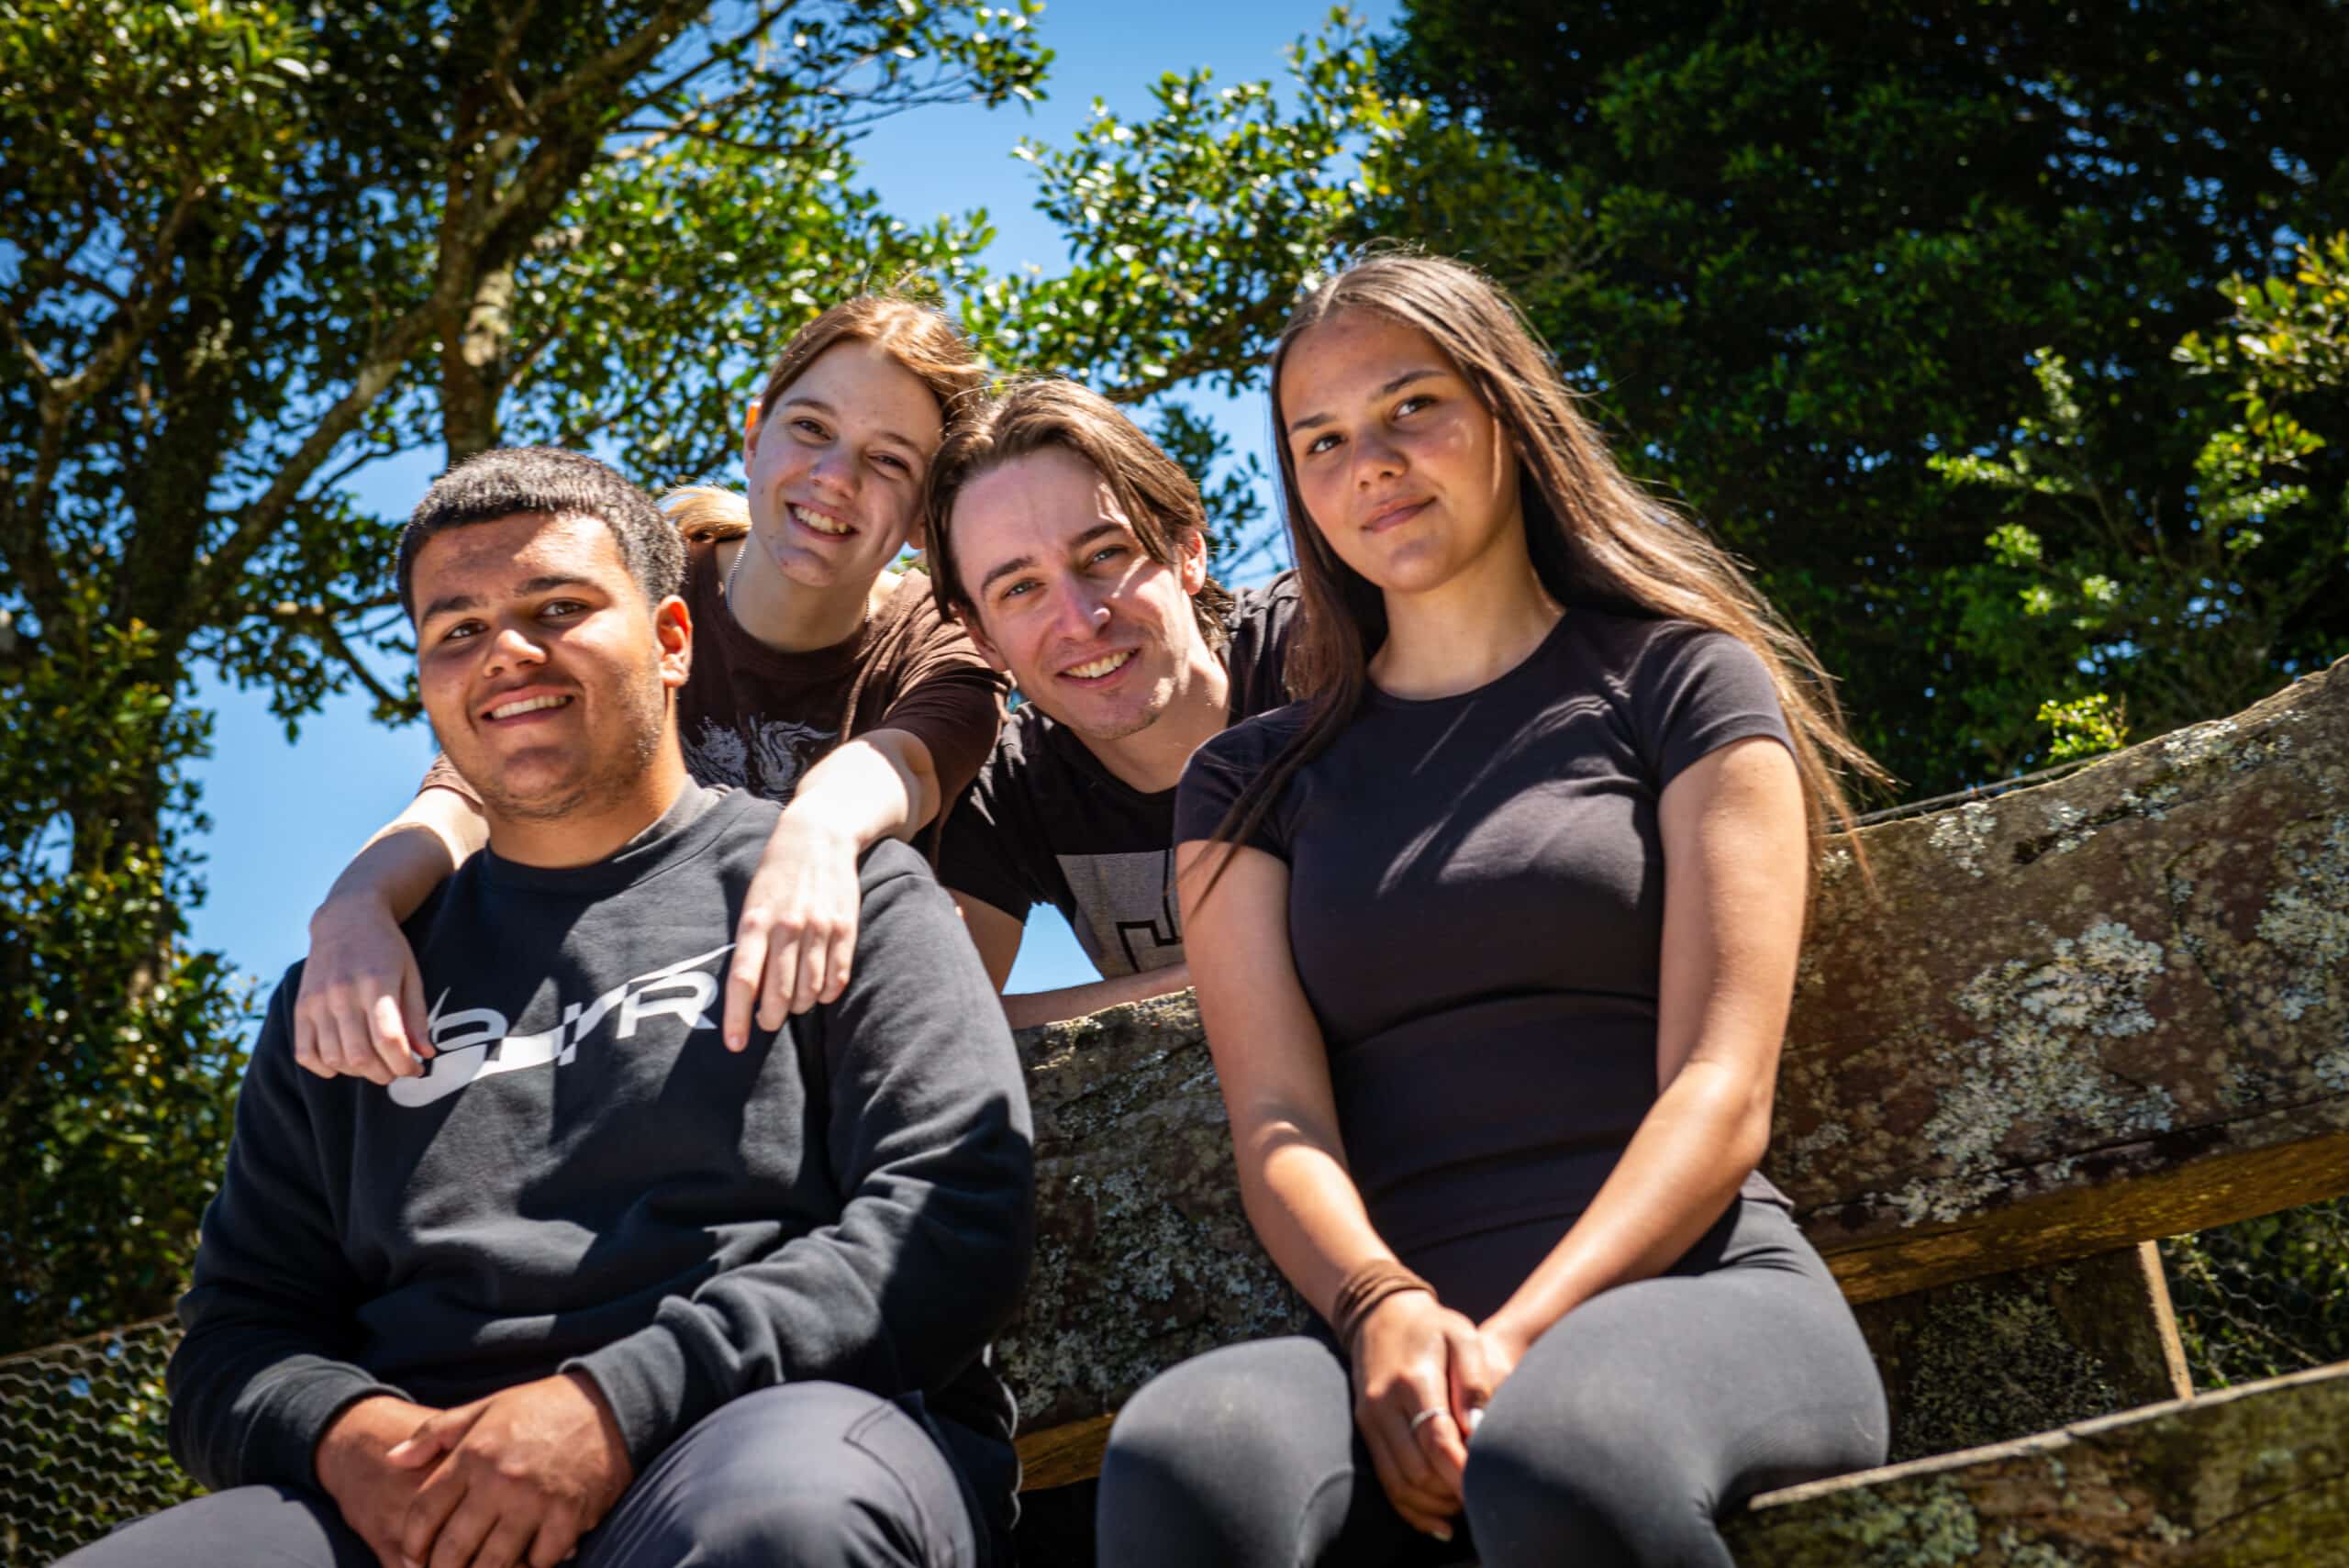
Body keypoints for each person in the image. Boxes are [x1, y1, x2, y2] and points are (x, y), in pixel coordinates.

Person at [61, 448, 1033, 1568]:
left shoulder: (836, 887)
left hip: (761, 1434)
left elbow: (954, 1207)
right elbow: (238, 1330)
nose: (505, 653)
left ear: (674, 642)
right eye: (456, 628)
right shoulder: (350, 978)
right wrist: (345, 1435)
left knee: (785, 1527)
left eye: (558, 607)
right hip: (423, 1496)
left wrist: (610, 1405)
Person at [1094, 252, 1892, 1568]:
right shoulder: (1249, 782)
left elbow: (1719, 1085)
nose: (1376, 461)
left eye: (1415, 407)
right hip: (1394, 1339)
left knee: (1556, 1451)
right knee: (1192, 1458)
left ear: (1509, 415)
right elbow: (1278, 1117)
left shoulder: (1682, 683)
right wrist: (1382, 1308)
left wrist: (1515, 1339)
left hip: (1694, 1295)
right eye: (1325, 439)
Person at [297, 295, 1005, 1086]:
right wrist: (354, 909)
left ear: (921, 522)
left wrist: (817, 832)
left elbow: (908, 764)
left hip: (797, 1040)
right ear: (753, 434)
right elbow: (473, 790)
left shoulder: (942, 640)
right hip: (586, 997)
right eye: (811, 428)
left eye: (890, 461)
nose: (835, 477)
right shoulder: (637, 588)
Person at [921, 379, 1300, 1028]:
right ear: (981, 635)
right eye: (1020, 588)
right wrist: (1201, 981)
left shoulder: (1327, 655)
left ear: (1187, 549)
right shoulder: (1009, 789)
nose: (1080, 619)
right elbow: (927, 1018)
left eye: (1105, 554)